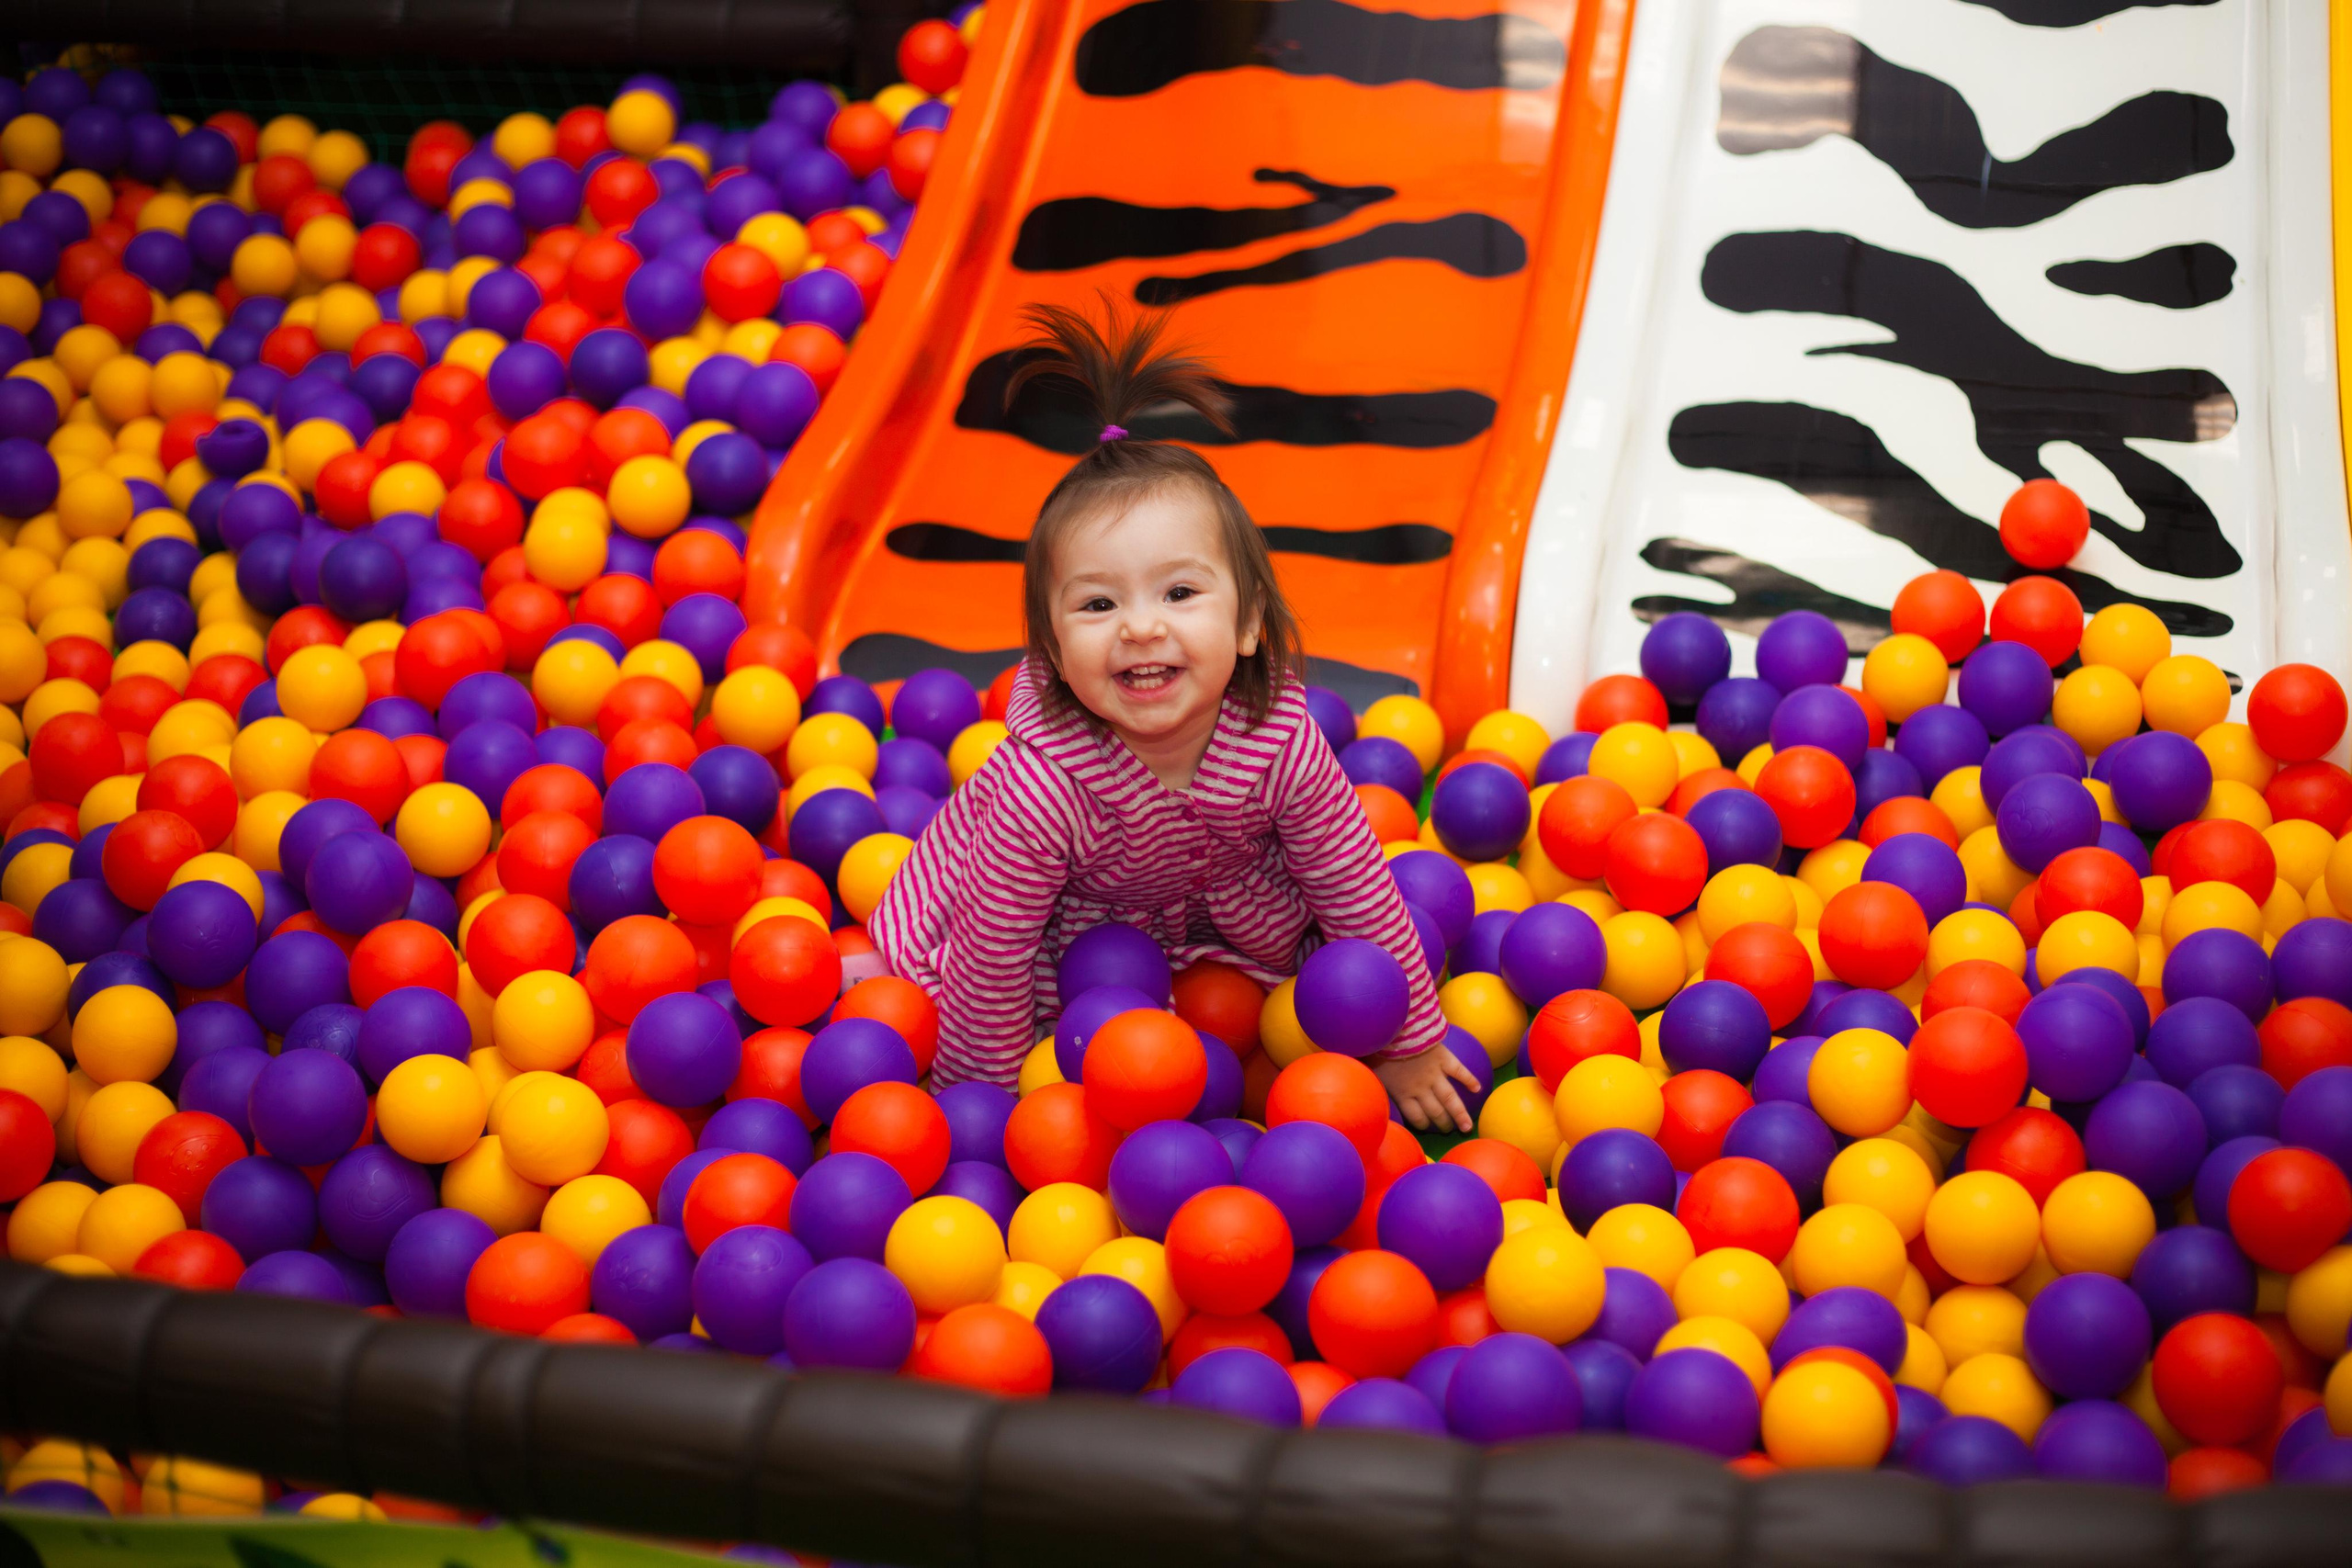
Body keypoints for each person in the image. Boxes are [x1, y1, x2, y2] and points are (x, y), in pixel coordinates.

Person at [867, 299, 1478, 1128]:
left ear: (1251, 620)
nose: (1141, 625)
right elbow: (992, 949)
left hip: (1224, 919)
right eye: (1096, 603)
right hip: (1071, 950)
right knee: (934, 989)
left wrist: (1406, 1039)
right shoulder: (1040, 786)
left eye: (1180, 592)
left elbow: (1355, 886)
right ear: (1050, 644)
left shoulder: (1282, 740)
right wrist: (983, 1100)